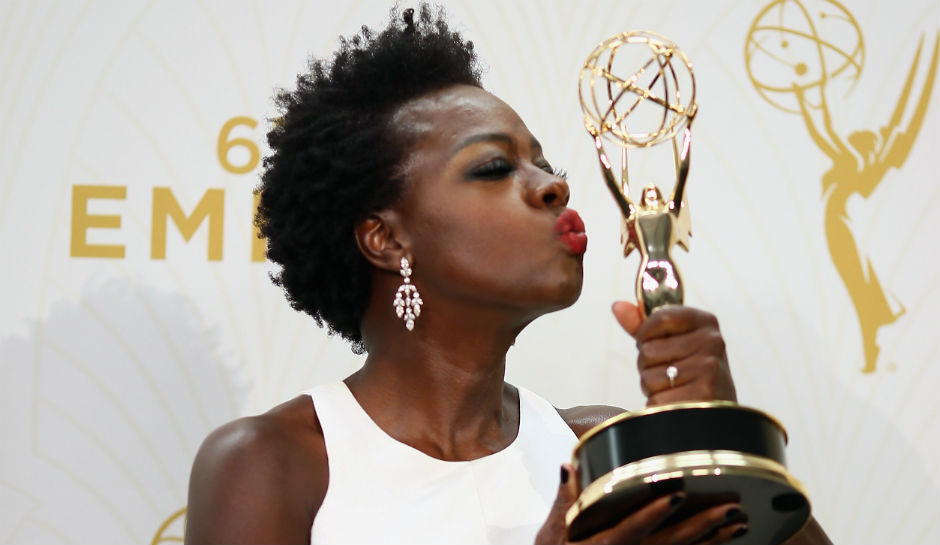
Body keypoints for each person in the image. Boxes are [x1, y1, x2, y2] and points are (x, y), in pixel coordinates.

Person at [184, 6, 832, 545]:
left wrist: (715, 433)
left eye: (545, 164)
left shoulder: (597, 450)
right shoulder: (272, 464)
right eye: (494, 168)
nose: (554, 186)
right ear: (385, 237)